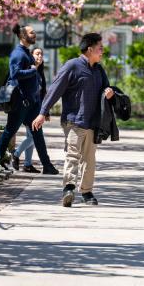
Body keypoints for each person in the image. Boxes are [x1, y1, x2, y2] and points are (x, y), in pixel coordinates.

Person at [32, 33, 113, 208]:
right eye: (100, 48)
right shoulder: (72, 66)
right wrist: (42, 112)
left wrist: (109, 91)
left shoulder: (99, 69)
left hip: (93, 122)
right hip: (74, 120)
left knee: (89, 158)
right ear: (90, 49)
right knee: (73, 155)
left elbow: (106, 86)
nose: (102, 52)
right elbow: (55, 89)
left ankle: (87, 191)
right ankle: (68, 188)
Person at [0, 25, 58, 175]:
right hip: (21, 103)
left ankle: (47, 165)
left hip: (32, 103)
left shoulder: (26, 53)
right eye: (31, 32)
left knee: (38, 133)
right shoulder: (18, 54)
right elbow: (15, 74)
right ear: (23, 36)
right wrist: (33, 69)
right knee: (10, 131)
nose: (34, 34)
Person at [11, 46, 47, 173]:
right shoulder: (29, 69)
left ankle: (27, 164)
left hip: (36, 109)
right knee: (33, 137)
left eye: (41, 54)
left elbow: (41, 93)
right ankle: (15, 153)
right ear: (31, 56)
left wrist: (44, 111)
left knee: (30, 135)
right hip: (26, 108)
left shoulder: (39, 72)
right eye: (37, 54)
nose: (40, 56)